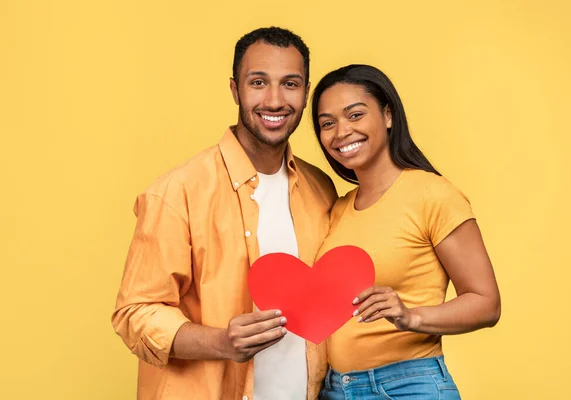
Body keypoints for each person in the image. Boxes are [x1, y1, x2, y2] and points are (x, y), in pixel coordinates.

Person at [111, 27, 337, 400]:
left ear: (306, 92)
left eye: (291, 84)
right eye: (259, 82)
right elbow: (135, 313)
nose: (275, 100)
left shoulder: (320, 190)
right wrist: (222, 342)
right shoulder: (177, 192)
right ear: (235, 89)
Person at [311, 64, 501, 399]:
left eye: (354, 115)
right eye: (328, 123)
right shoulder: (338, 208)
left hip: (406, 387)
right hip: (335, 389)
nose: (340, 132)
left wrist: (410, 316)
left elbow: (486, 304)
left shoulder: (433, 194)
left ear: (388, 115)